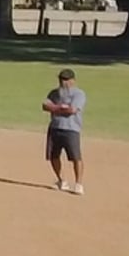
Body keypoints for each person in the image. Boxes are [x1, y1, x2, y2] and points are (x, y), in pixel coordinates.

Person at [41, 67, 87, 195]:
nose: (63, 82)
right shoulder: (54, 93)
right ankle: (62, 180)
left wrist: (54, 108)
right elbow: (45, 105)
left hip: (71, 129)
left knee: (76, 157)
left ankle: (78, 184)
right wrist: (61, 107)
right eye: (61, 79)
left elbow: (72, 110)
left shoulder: (79, 94)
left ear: (73, 80)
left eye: (66, 79)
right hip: (55, 127)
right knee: (53, 156)